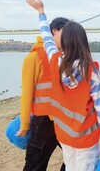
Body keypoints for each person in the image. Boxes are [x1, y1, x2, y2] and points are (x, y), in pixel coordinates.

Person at [25, 0, 100, 171]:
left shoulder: (54, 60)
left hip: (65, 135)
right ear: (83, 42)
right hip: (85, 138)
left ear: (64, 41)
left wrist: (40, 11)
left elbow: (46, 37)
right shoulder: (91, 72)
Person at [16, 17, 69, 171]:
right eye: (66, 34)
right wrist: (25, 124)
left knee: (76, 160)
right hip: (43, 122)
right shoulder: (33, 58)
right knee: (35, 165)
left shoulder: (63, 57)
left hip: (65, 120)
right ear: (54, 31)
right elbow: (26, 93)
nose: (68, 40)